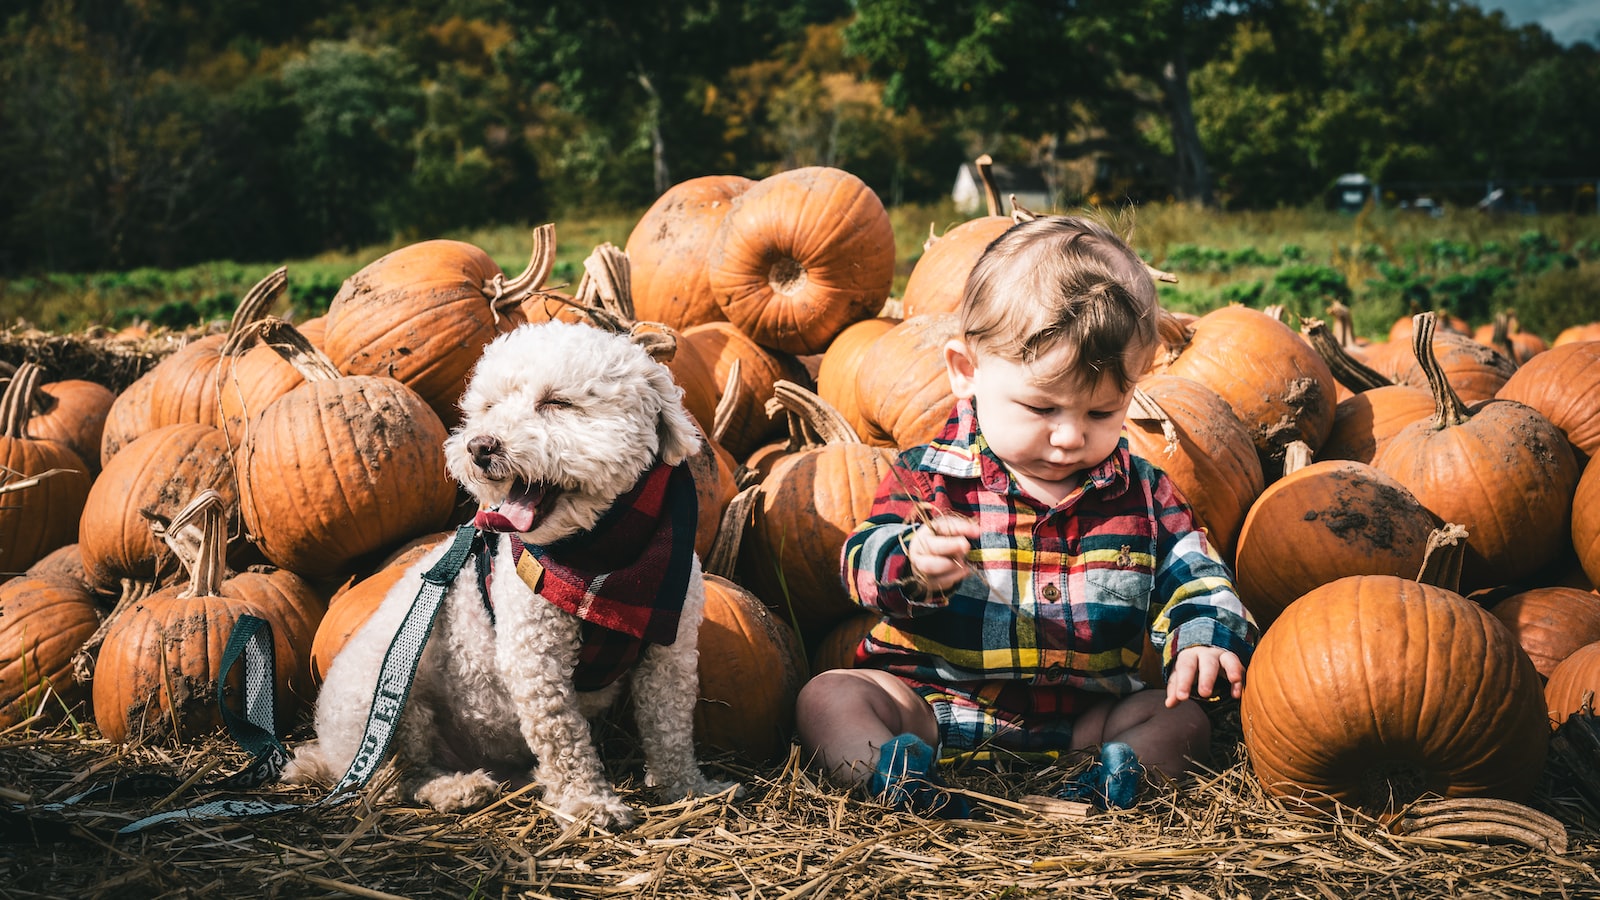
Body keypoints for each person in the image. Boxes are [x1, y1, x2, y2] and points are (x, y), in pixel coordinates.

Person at [794, 214, 1258, 817]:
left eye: (1101, 413)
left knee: (1180, 722)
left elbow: (1195, 573)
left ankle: (1108, 784)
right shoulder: (928, 476)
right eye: (1041, 406)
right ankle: (899, 779)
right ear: (968, 371)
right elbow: (861, 556)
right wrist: (909, 563)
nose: (1068, 437)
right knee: (829, 696)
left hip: (1083, 724)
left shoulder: (1143, 494)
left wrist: (1203, 635)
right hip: (930, 705)